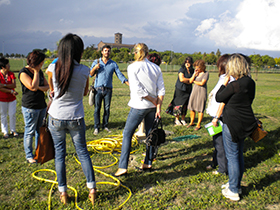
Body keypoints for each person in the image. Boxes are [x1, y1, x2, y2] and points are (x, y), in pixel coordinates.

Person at [47, 33, 96, 205]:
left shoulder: (53, 68)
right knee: (83, 153)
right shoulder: (84, 70)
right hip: (76, 117)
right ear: (79, 52)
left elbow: (52, 89)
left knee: (60, 155)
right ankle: (92, 189)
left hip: (56, 118)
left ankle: (63, 193)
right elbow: (84, 93)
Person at [114, 43, 165, 177]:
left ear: (136, 53)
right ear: (147, 53)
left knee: (127, 134)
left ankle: (123, 167)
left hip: (139, 105)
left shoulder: (132, 67)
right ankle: (148, 163)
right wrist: (158, 105)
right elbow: (161, 89)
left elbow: (137, 89)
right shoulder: (156, 68)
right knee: (150, 134)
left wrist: (152, 100)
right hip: (152, 108)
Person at [216, 54, 257, 201]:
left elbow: (218, 97)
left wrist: (225, 82)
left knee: (232, 156)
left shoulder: (234, 85)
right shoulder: (250, 82)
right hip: (245, 123)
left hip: (232, 123)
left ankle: (233, 190)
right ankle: (235, 184)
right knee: (238, 154)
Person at [89, 45, 129, 135]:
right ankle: (96, 127)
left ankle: (105, 126)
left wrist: (128, 83)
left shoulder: (113, 64)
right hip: (98, 89)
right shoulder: (96, 62)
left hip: (108, 90)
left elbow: (119, 75)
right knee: (97, 109)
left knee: (107, 109)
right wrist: (95, 68)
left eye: (108, 51)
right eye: (105, 51)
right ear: (102, 52)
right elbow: (90, 74)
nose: (107, 52)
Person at [19, 50, 49, 164]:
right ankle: (29, 155)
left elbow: (46, 86)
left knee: (39, 130)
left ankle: (38, 152)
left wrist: (40, 87)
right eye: (41, 62)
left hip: (41, 105)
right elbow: (32, 87)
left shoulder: (40, 72)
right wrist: (36, 72)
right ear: (37, 62)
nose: (42, 64)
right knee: (29, 131)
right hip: (30, 106)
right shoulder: (24, 72)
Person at [206, 54, 234, 175]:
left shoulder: (228, 79)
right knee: (217, 142)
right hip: (217, 115)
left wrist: (217, 117)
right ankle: (215, 162)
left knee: (220, 143)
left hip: (221, 116)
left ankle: (222, 169)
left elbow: (223, 100)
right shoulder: (223, 77)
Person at [166, 57, 194, 126]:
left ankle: (183, 119)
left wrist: (189, 80)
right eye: (186, 62)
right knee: (178, 104)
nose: (187, 64)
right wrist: (190, 80)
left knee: (185, 105)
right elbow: (181, 79)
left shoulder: (192, 70)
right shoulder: (182, 69)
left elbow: (193, 79)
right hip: (180, 89)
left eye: (189, 62)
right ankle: (177, 120)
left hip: (188, 90)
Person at [187, 59, 209, 130]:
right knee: (192, 107)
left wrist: (194, 81)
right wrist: (194, 75)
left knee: (200, 108)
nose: (196, 69)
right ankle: (191, 122)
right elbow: (190, 81)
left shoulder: (206, 73)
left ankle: (198, 124)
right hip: (194, 91)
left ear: (202, 67)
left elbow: (202, 83)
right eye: (195, 67)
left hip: (202, 92)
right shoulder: (196, 73)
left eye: (198, 67)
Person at [0, 58, 18, 138]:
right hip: (2, 99)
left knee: (12, 114)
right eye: (7, 65)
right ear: (3, 67)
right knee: (3, 115)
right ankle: (5, 131)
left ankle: (13, 130)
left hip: (12, 99)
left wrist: (4, 85)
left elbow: (14, 85)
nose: (9, 66)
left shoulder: (11, 74)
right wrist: (11, 91)